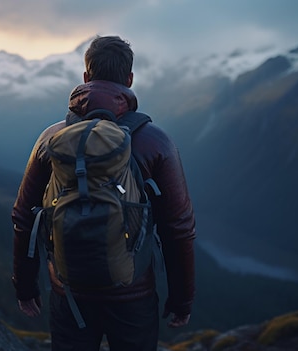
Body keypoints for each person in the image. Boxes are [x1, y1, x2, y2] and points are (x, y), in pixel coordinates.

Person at [11, 35, 196, 351]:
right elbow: (178, 230)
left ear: (86, 77)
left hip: (68, 293)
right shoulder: (155, 143)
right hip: (132, 297)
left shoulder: (52, 138)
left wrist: (25, 287)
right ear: (129, 80)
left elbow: (23, 217)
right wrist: (181, 300)